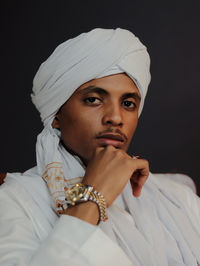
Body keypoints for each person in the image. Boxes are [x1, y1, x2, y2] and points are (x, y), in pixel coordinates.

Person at [0, 28, 199, 266]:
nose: (116, 117)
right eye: (93, 99)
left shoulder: (177, 199)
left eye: (128, 103)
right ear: (56, 115)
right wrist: (92, 196)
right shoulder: (14, 202)